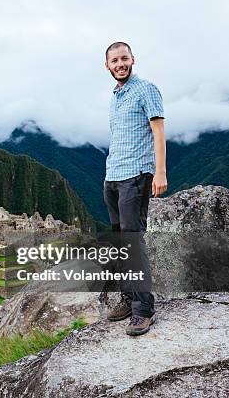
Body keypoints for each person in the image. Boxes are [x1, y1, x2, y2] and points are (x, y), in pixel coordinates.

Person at [103, 41, 167, 336]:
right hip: (113, 177)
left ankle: (144, 309)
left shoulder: (146, 89)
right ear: (107, 65)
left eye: (124, 58)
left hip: (135, 176)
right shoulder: (116, 95)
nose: (120, 64)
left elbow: (158, 132)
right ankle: (128, 298)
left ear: (132, 60)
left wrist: (159, 172)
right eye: (114, 60)